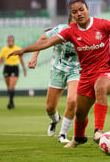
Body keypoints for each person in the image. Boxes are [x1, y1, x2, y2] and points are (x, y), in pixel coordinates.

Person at [8, 0, 110, 148]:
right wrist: (24, 50)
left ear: (87, 9)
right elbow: (47, 43)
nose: (79, 14)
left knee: (100, 88)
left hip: (107, 72)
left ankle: (98, 131)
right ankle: (78, 139)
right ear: (71, 14)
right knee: (79, 112)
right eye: (74, 12)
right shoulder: (70, 31)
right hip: (85, 76)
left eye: (81, 10)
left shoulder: (102, 24)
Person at [28, 14, 80, 143]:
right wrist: (34, 57)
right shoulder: (59, 30)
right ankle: (55, 120)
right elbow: (42, 38)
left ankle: (63, 135)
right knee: (49, 108)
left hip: (75, 71)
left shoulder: (85, 33)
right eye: (74, 23)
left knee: (72, 100)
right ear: (69, 24)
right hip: (58, 70)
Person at [0, 35, 27, 109]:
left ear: (13, 41)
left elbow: (21, 59)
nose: (10, 42)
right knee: (9, 87)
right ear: (7, 41)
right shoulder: (4, 49)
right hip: (6, 68)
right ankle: (12, 101)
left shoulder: (17, 49)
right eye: (9, 40)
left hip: (14, 68)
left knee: (11, 86)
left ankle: (10, 103)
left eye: (12, 40)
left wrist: (24, 69)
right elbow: (1, 59)